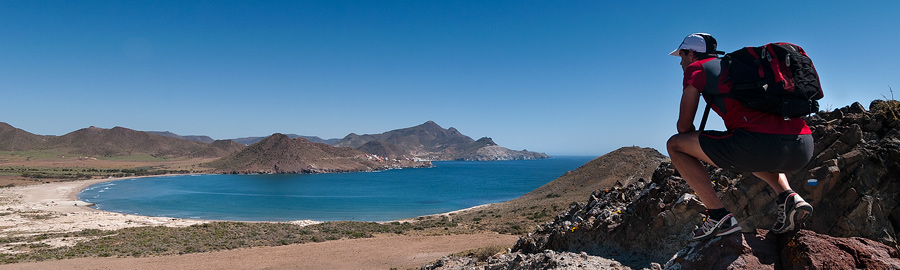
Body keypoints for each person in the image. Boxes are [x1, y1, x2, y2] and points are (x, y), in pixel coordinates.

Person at [666, 33, 815, 240]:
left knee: (674, 145)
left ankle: (718, 216)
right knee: (752, 152)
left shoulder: (696, 69)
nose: (680, 61)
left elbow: (683, 127)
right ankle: (789, 196)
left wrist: (695, 150)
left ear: (691, 53)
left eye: (681, 55)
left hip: (757, 144)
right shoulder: (741, 68)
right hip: (803, 146)